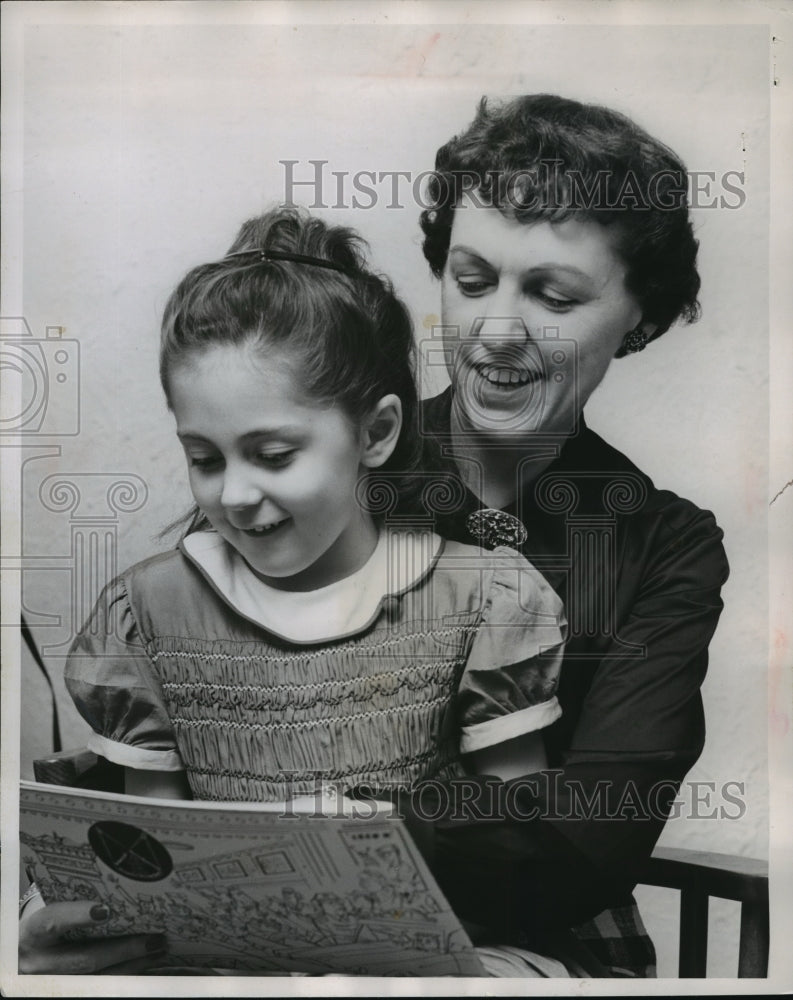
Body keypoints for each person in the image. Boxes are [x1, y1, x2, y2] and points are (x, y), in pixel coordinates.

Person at [18, 206, 569, 976]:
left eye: (273, 454)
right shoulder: (149, 613)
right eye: (204, 457)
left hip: (433, 960)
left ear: (374, 434)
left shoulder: (481, 597)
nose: (235, 494)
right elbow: (163, 865)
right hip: (228, 968)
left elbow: (520, 850)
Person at [396, 93, 730, 976]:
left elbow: (587, 845)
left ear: (641, 321)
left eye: (552, 294)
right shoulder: (314, 470)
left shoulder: (662, 547)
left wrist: (334, 819)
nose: (494, 332)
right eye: (470, 281)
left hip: (536, 943)